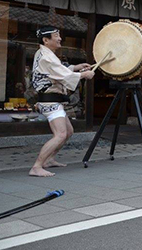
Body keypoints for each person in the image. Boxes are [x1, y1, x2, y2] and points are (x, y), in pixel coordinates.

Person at [30, 26, 94, 177]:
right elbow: (62, 74)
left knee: (69, 131)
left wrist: (76, 67)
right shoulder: (45, 56)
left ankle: (49, 159)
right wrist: (83, 75)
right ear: (46, 40)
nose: (60, 39)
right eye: (56, 36)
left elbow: (59, 70)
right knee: (60, 134)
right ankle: (37, 166)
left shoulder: (46, 54)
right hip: (49, 101)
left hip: (53, 101)